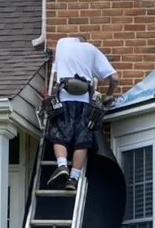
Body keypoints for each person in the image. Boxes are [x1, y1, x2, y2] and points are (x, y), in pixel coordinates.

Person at [44, 35, 120, 191]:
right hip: (84, 100)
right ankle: (73, 178)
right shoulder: (91, 50)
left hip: (64, 98)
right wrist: (108, 95)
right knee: (82, 139)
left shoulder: (61, 43)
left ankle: (62, 166)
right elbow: (114, 78)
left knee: (60, 134)